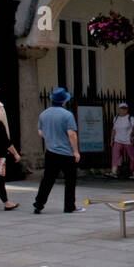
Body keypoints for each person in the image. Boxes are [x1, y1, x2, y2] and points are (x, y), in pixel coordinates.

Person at [33, 87, 81, 215]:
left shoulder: (44, 114)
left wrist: (50, 137)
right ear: (64, 101)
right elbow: (71, 134)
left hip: (51, 151)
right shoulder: (67, 115)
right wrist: (76, 151)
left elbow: (40, 131)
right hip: (66, 152)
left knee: (47, 179)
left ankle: (39, 204)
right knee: (70, 180)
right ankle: (69, 206)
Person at [109, 102, 134, 178]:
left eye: (125, 108)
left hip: (128, 140)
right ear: (119, 109)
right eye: (122, 108)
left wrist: (132, 136)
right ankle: (114, 172)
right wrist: (112, 140)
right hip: (117, 140)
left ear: (127, 109)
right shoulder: (116, 118)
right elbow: (114, 130)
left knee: (132, 157)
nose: (123, 110)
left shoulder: (130, 117)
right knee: (115, 156)